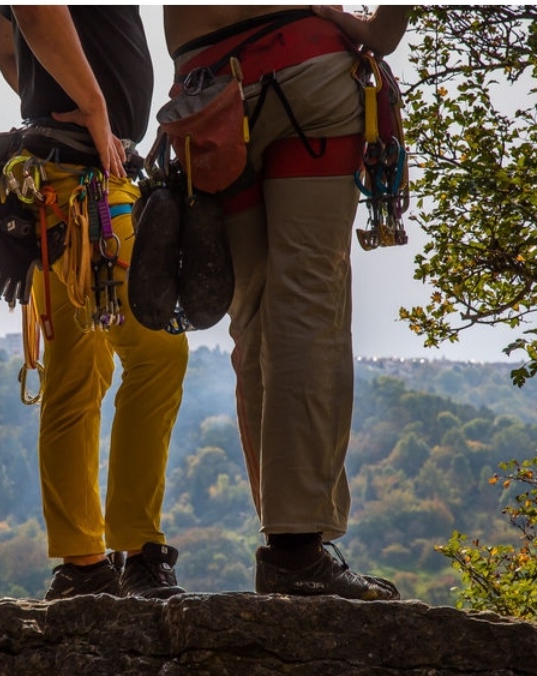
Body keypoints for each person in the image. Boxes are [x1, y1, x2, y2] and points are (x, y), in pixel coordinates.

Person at [160, 5, 411, 600]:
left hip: (207, 94)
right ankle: (296, 547)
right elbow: (387, 28)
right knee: (305, 306)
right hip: (308, 70)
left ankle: (288, 537)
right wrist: (379, 33)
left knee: (252, 316)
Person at [0, 6, 189, 600]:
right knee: (156, 354)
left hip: (70, 175)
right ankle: (135, 552)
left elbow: (5, 48)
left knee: (81, 370)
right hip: (86, 179)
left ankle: (85, 564)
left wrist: (66, 103)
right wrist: (96, 110)